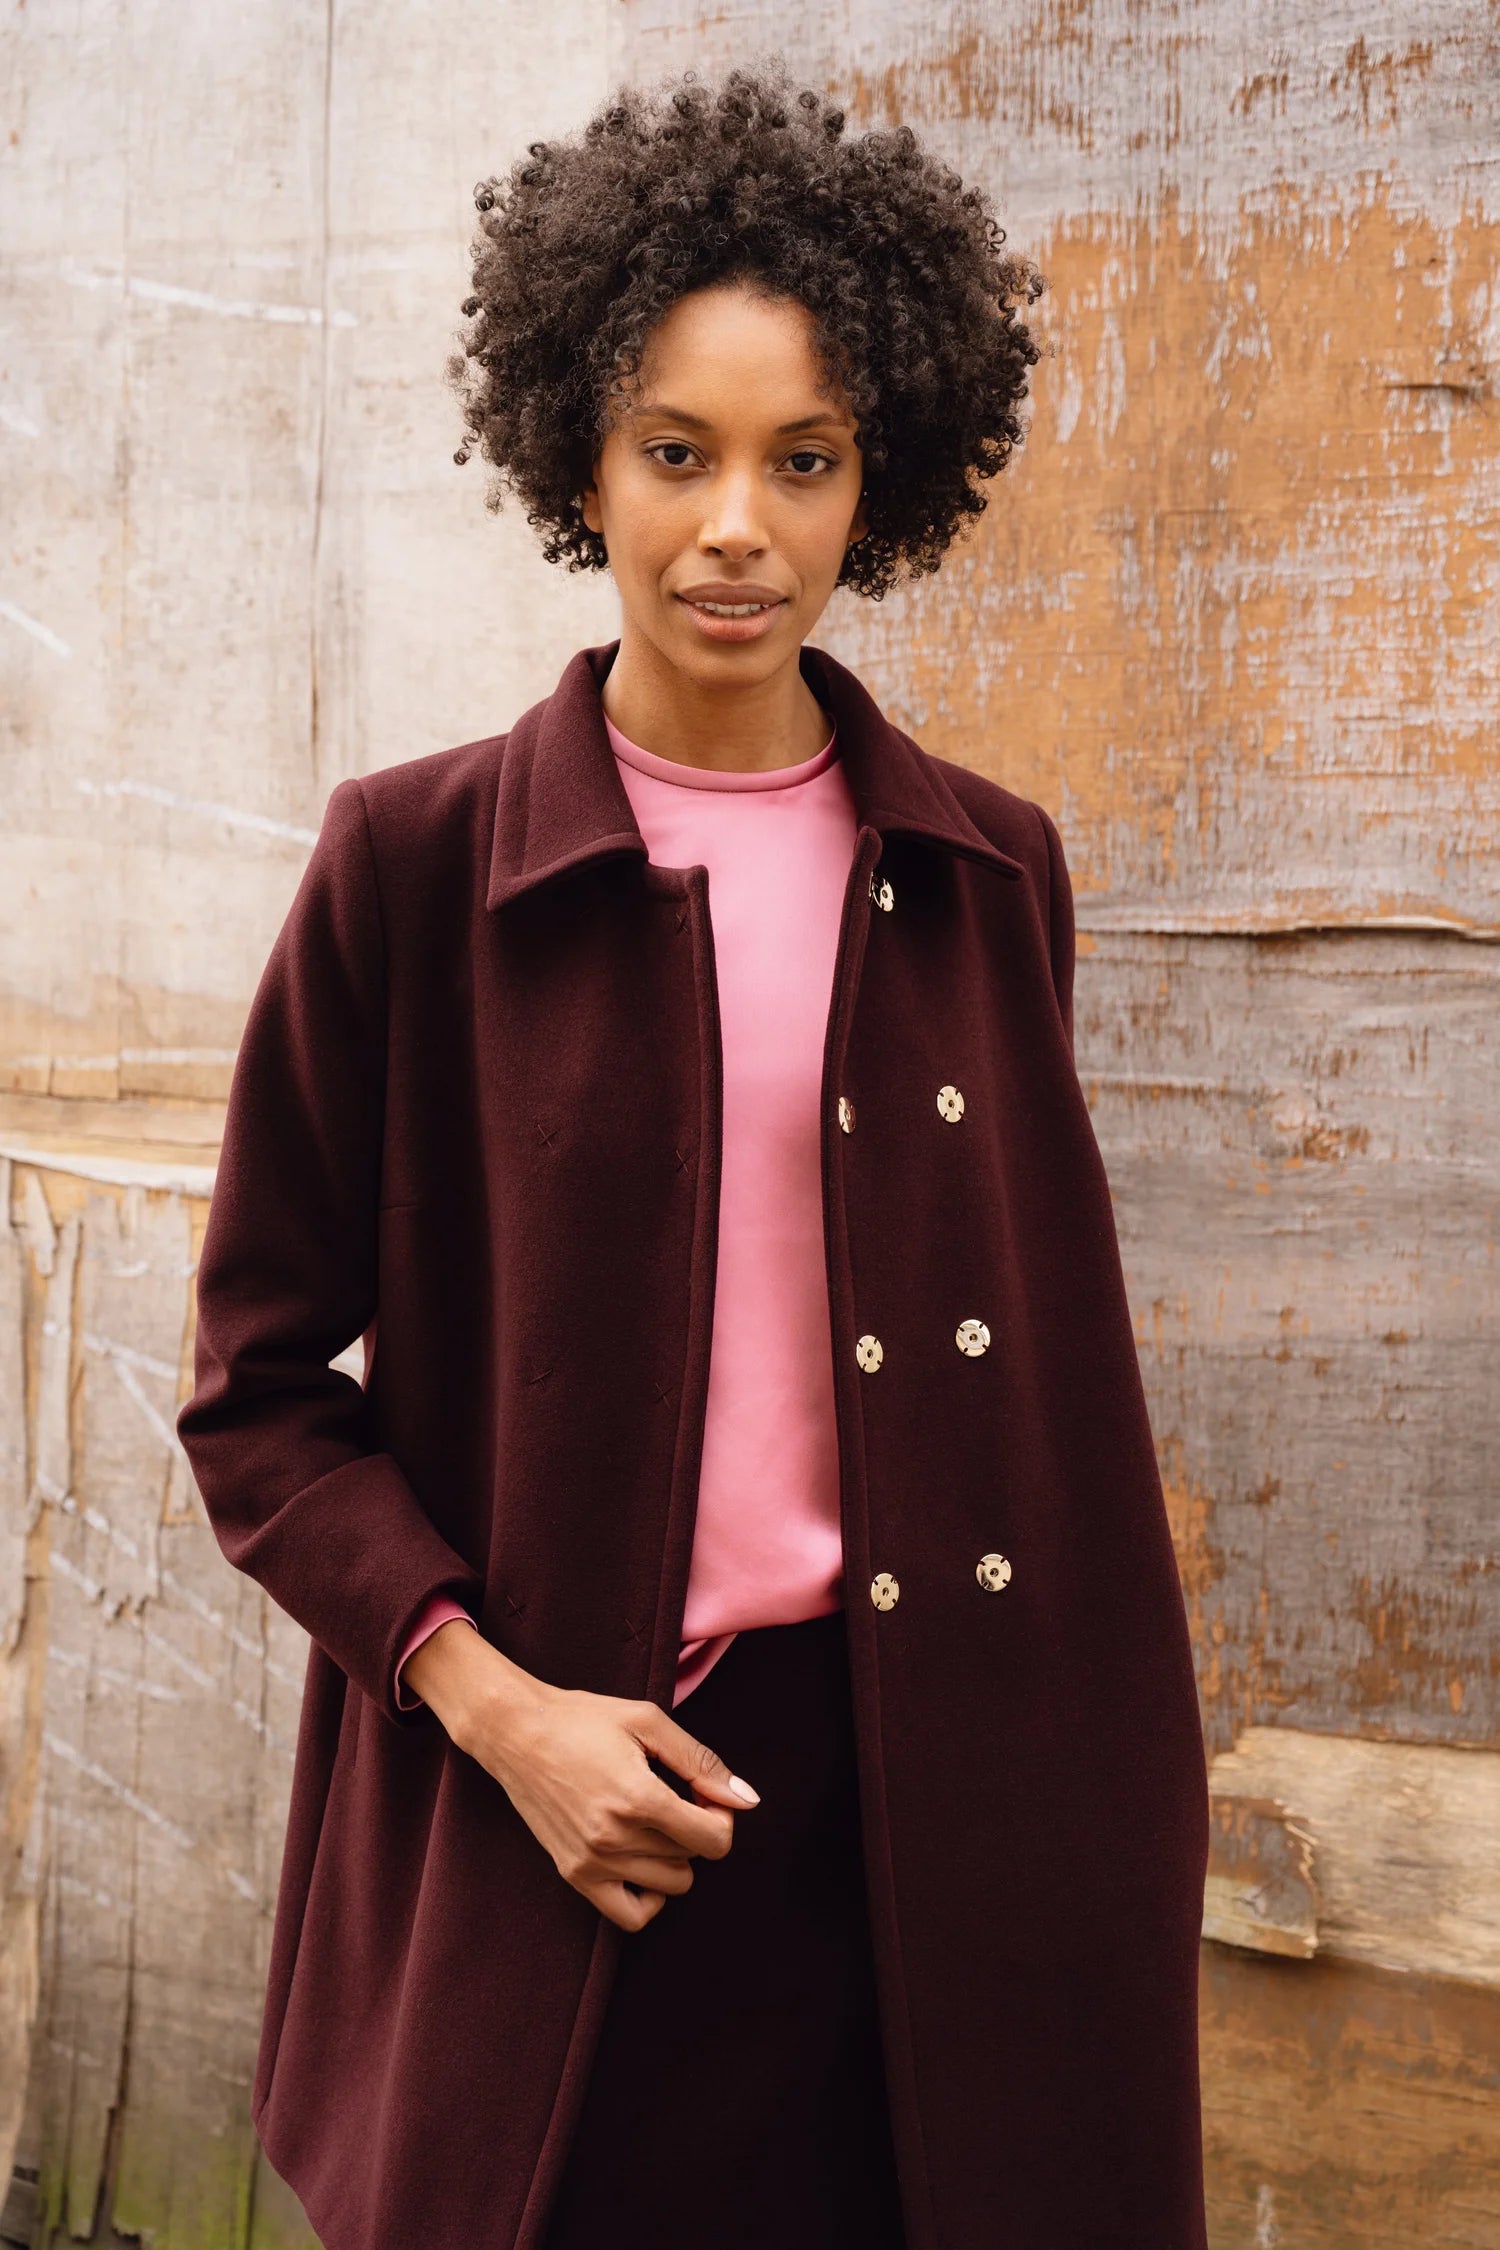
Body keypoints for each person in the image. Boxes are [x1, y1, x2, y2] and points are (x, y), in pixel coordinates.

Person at [176, 57, 1210, 2250]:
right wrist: (499, 1713)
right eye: (679, 451)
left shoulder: (987, 871)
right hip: (566, 1808)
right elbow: (256, 1399)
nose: (738, 522)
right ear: (582, 458)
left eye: (801, 459)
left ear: (875, 484)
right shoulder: (414, 866)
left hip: (937, 1836)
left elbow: (1036, 1397)